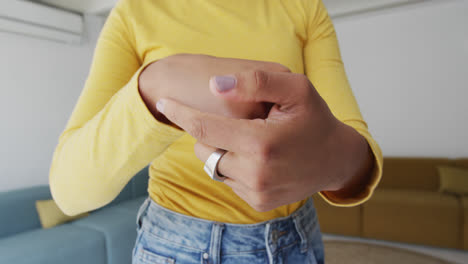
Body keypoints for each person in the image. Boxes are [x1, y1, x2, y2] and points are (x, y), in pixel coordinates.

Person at [49, 0, 383, 263]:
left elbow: (358, 156)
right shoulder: (134, 12)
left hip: (295, 241)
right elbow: (69, 190)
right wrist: (155, 86)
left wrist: (327, 160)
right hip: (174, 247)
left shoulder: (304, 7)